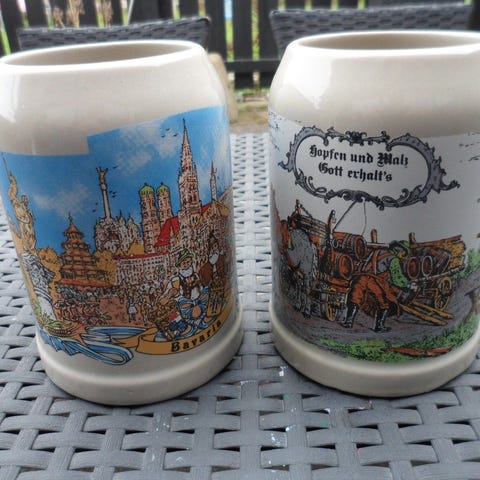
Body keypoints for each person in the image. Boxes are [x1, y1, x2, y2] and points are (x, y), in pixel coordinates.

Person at [342, 240, 412, 332]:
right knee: (384, 303)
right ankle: (379, 327)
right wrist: (407, 284)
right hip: (374, 281)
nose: (402, 256)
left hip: (361, 278)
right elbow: (397, 278)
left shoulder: (376, 252)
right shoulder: (393, 259)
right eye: (403, 254)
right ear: (400, 251)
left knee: (355, 298)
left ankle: (348, 322)